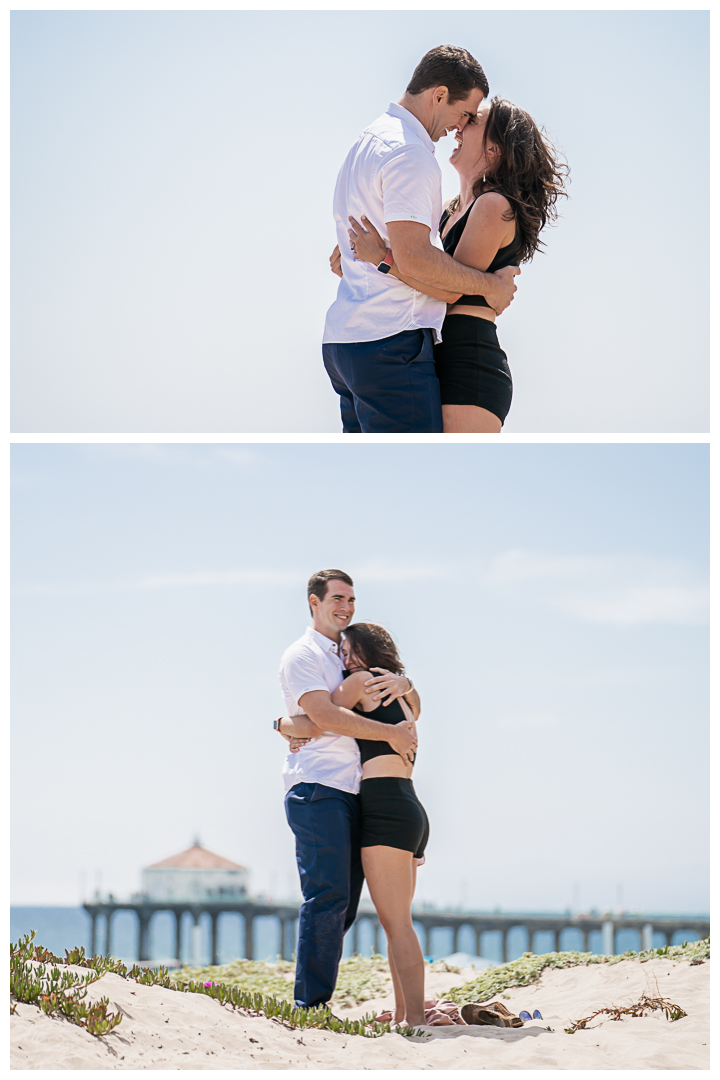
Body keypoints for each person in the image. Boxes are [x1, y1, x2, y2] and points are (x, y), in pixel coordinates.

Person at [322, 45, 519, 434]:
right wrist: (490, 286)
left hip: (346, 342)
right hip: (390, 340)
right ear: (439, 95)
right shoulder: (410, 153)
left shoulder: (367, 140)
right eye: (463, 113)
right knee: (412, 475)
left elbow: (352, 251)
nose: (458, 127)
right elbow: (415, 259)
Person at [343, 96, 569, 432]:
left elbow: (447, 288)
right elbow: (418, 260)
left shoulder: (493, 205)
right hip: (435, 356)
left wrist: (382, 259)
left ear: (494, 150)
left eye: (473, 122)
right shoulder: (449, 209)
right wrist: (353, 251)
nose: (459, 126)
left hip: (468, 363)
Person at [276, 570, 419, 1011]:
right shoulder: (302, 655)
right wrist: (284, 724)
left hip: (361, 794)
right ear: (314, 602)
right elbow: (325, 715)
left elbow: (331, 715)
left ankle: (329, 1002)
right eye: (338, 598)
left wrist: (407, 684)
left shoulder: (349, 661)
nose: (346, 607)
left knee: (345, 904)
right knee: (329, 897)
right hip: (319, 787)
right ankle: (310, 1006)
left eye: (352, 599)